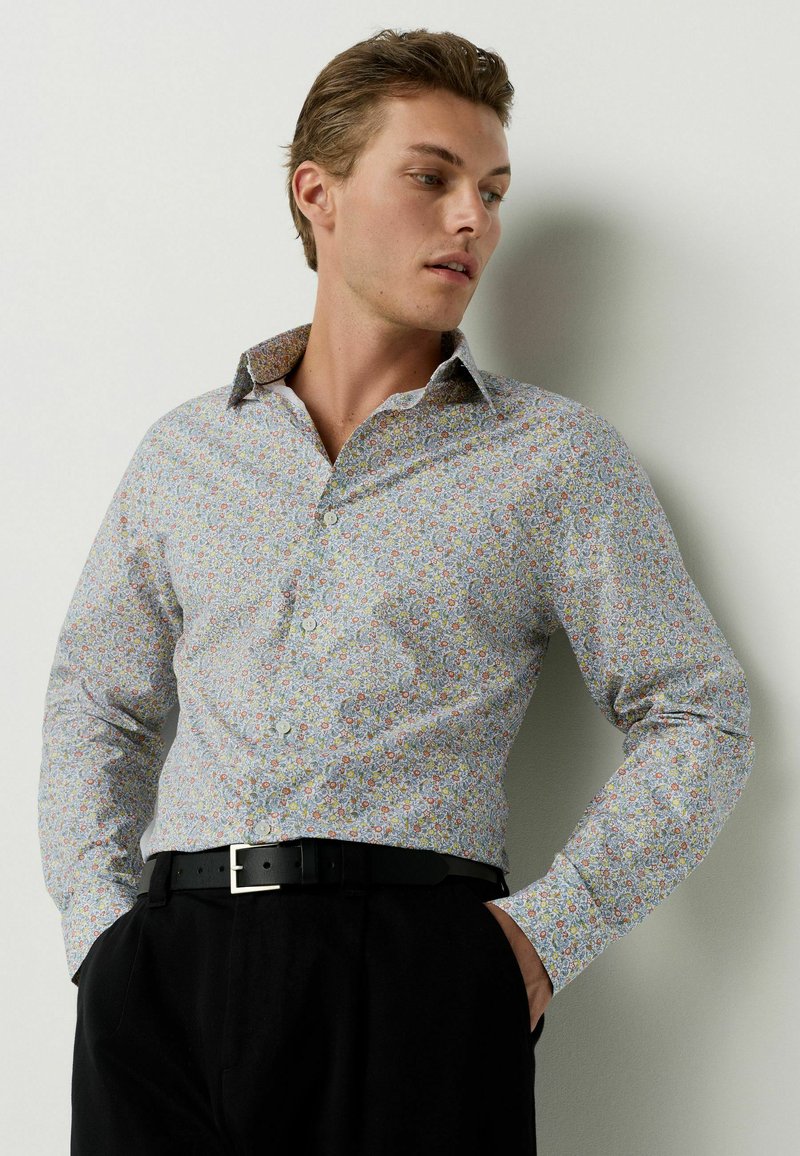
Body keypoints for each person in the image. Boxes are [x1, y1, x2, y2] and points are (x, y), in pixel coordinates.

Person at [38, 27, 754, 1156]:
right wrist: (101, 935)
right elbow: (97, 700)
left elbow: (698, 711)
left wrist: (540, 938)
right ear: (315, 194)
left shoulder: (555, 459)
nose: (473, 219)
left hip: (416, 979)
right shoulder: (185, 453)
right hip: (165, 982)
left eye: (492, 192)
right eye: (432, 177)